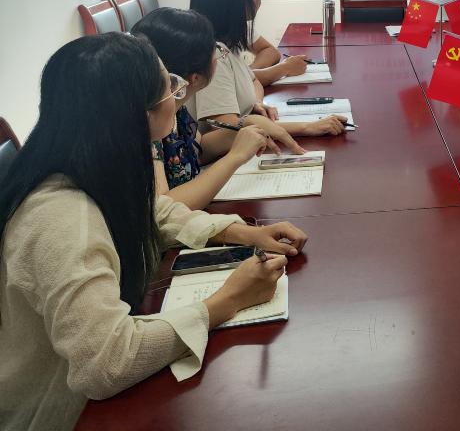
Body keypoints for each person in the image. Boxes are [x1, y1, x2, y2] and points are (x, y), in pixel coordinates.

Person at [0, 33, 309, 430]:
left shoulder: (90, 161)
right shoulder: (62, 218)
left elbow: (155, 213)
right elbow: (107, 362)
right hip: (62, 414)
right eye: (170, 87)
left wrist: (241, 233)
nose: (178, 95)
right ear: (136, 113)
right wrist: (229, 299)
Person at [131, 7, 297, 210]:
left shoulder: (176, 106)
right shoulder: (149, 124)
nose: (218, 53)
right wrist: (235, 157)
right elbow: (165, 210)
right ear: (195, 78)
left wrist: (244, 128)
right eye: (214, 50)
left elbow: (198, 150)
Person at [189, 0, 349, 139]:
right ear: (235, 1)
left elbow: (254, 81)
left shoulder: (229, 43)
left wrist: (254, 103)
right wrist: (307, 127)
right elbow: (226, 129)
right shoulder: (215, 56)